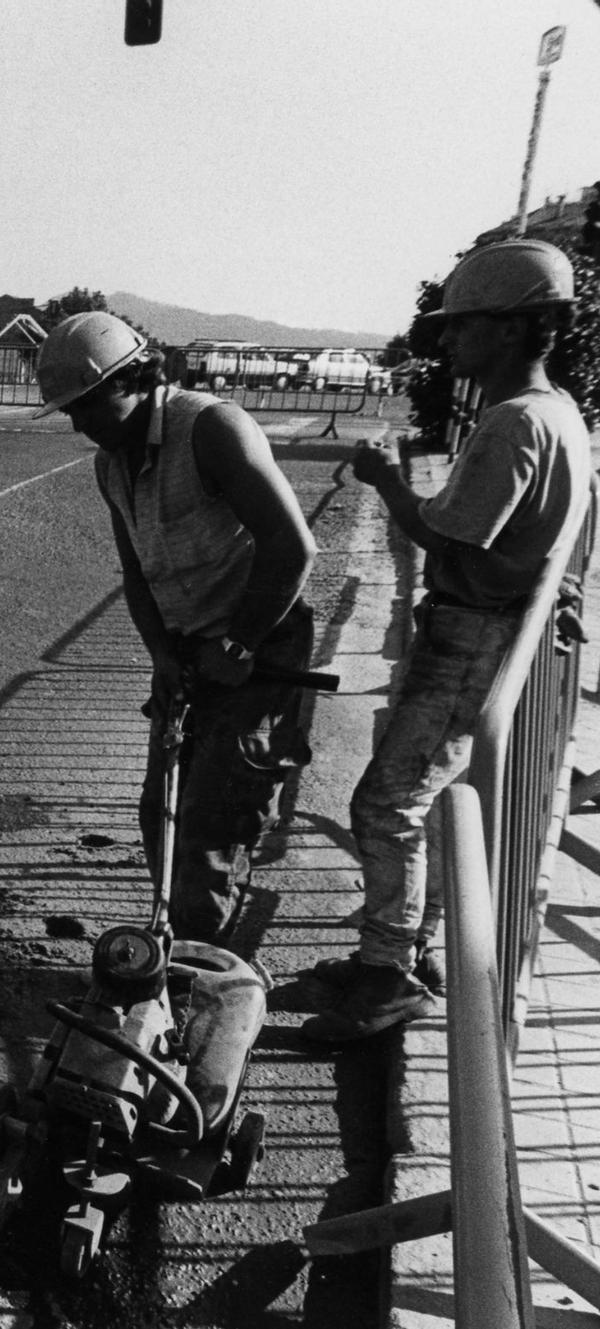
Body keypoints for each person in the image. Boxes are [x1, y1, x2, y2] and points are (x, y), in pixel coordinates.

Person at [303, 238, 592, 1042]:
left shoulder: (509, 425)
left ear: (511, 328)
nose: (449, 342)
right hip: (494, 634)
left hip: (470, 638)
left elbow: (453, 539)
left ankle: (386, 971)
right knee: (424, 801)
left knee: (386, 802)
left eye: (463, 326)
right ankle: (409, 951)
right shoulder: (560, 412)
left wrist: (387, 479)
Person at [34, 312, 318, 946]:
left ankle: (205, 977)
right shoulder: (112, 465)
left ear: (131, 379)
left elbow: (291, 548)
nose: (79, 426)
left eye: (87, 406)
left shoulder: (211, 428)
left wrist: (238, 643)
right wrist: (163, 656)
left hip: (259, 644)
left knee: (213, 824)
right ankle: (177, 945)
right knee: (160, 811)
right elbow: (136, 574)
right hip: (191, 650)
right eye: (68, 413)